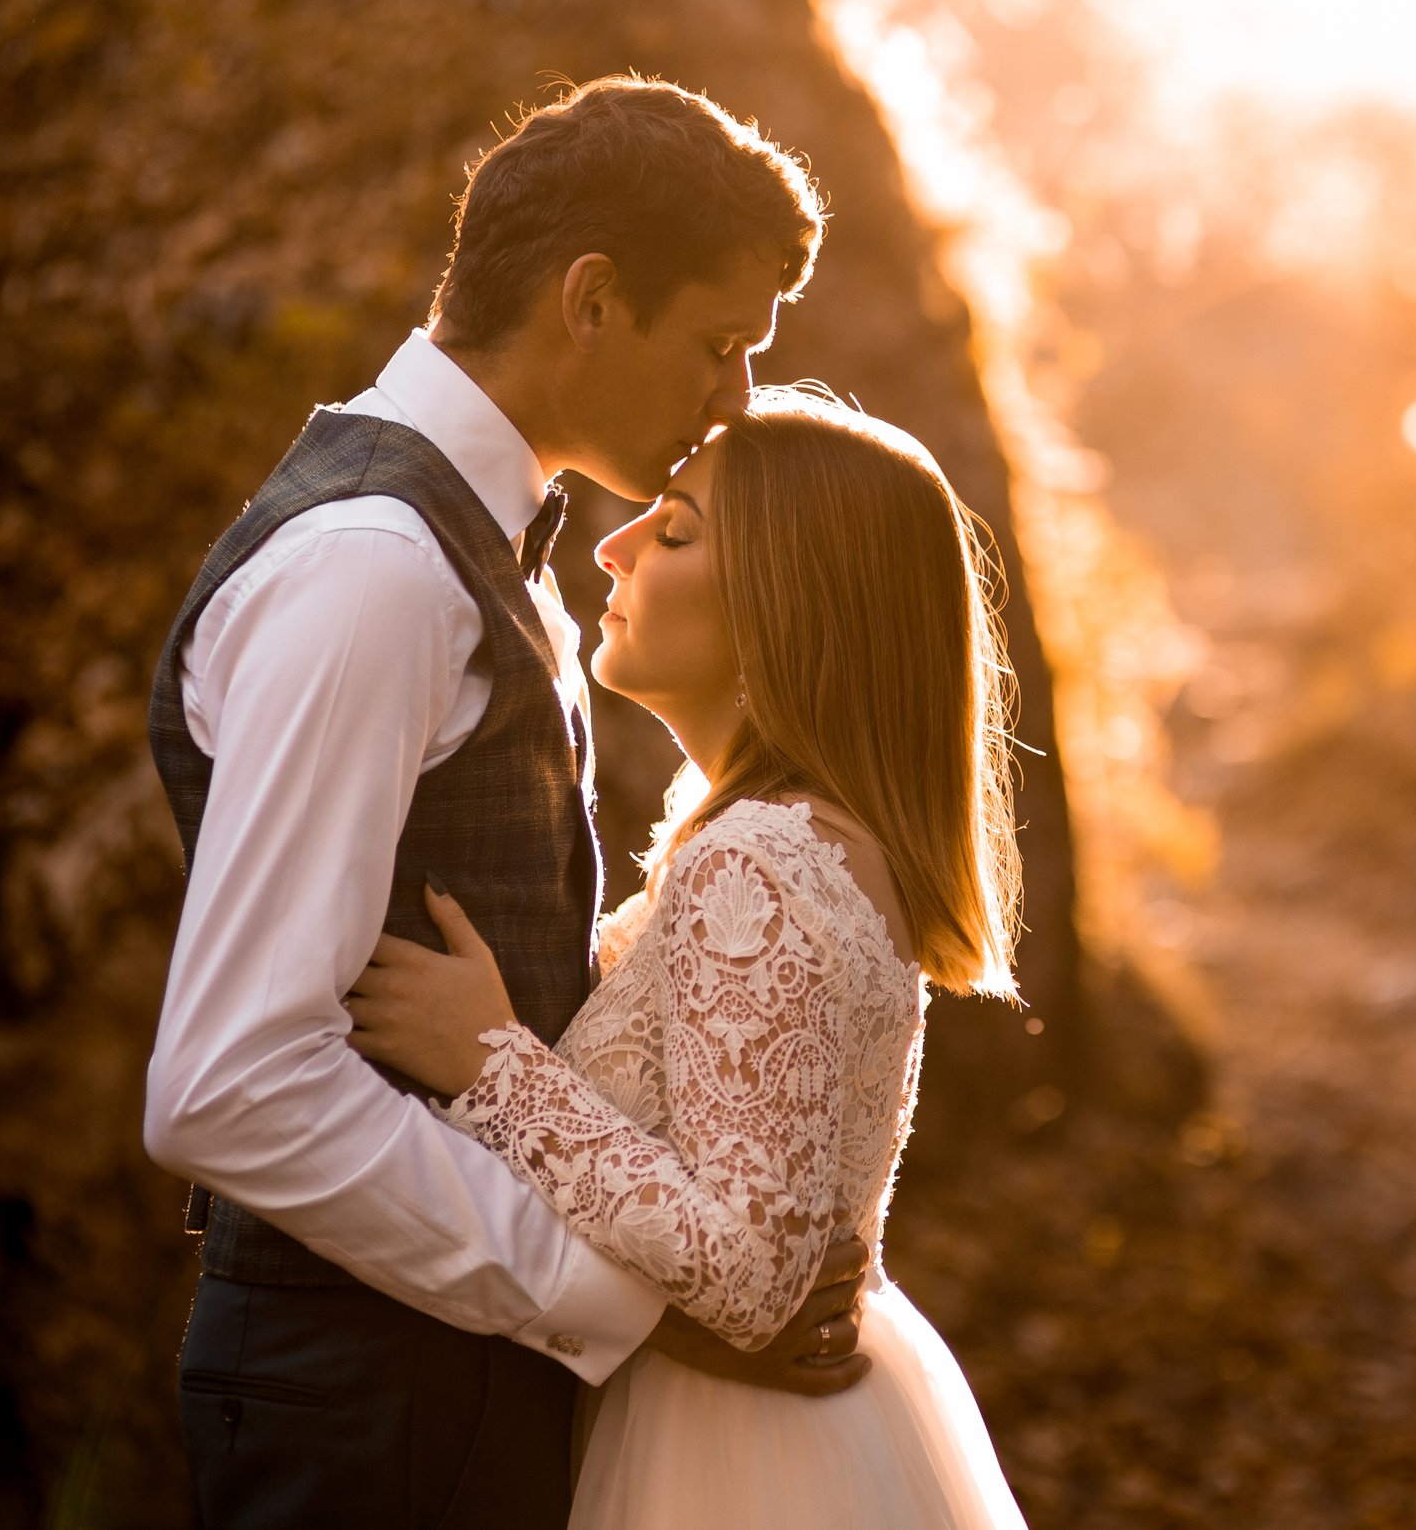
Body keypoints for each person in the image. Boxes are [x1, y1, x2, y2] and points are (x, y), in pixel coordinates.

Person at [143, 75, 876, 1529]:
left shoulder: (489, 553)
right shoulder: (378, 573)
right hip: (370, 1402)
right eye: (718, 344)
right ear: (591, 299)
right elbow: (233, 1081)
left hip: (453, 1372)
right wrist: (613, 1297)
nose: (736, 397)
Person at [343, 390, 1030, 1527]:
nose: (610, 544)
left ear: (782, 605)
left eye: (671, 530)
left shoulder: (756, 864)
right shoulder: (805, 839)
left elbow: (753, 1272)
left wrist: (492, 1065)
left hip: (737, 1458)